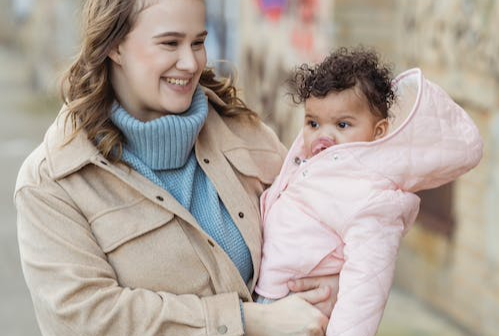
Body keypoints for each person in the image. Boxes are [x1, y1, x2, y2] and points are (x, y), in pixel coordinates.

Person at [14, 0, 339, 335]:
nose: (190, 62)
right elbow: (84, 319)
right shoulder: (52, 181)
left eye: (198, 42)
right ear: (114, 46)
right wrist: (246, 321)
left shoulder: (246, 133)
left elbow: (316, 229)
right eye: (170, 43)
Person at [254, 47, 483, 336]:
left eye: (342, 124)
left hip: (302, 314)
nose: (323, 135)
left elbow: (366, 287)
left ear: (378, 131)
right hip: (268, 303)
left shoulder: (371, 196)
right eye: (313, 123)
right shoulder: (314, 165)